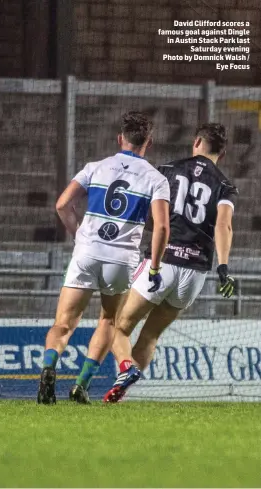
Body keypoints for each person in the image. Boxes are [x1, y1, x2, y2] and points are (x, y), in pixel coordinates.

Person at [37, 110, 170, 404]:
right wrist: (155, 267)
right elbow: (161, 226)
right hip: (121, 260)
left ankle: (48, 368)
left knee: (63, 323)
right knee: (109, 320)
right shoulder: (156, 179)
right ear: (149, 141)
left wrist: (79, 234)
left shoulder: (95, 167)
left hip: (87, 251)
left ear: (120, 138)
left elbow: (62, 204)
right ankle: (81, 386)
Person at [103, 123, 238, 403]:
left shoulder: (167, 169)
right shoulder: (225, 185)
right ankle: (122, 394)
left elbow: (152, 215)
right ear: (222, 153)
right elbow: (223, 226)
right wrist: (223, 268)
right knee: (151, 335)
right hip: (196, 271)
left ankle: (126, 369)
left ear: (197, 141)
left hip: (163, 261)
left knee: (118, 326)